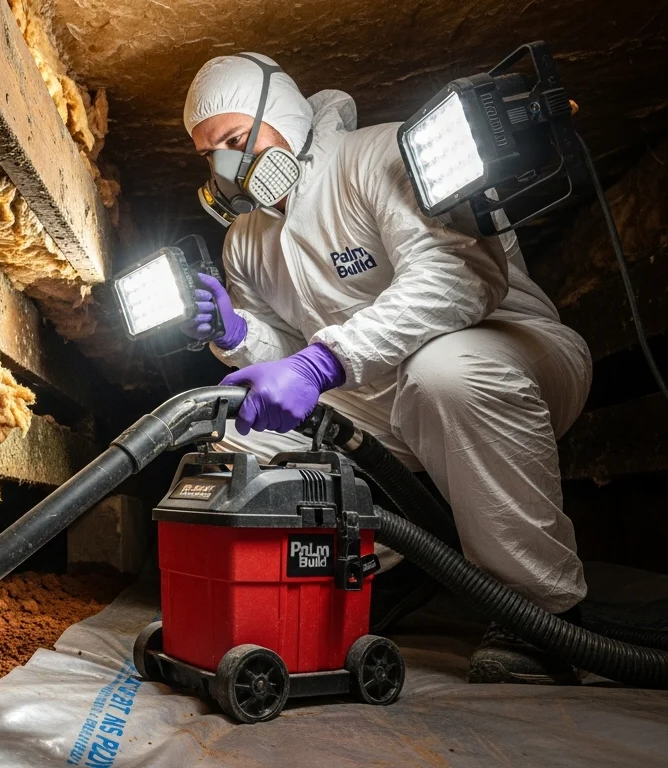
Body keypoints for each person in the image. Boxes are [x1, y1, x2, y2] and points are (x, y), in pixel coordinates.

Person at [180, 53, 593, 685]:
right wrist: (240, 338)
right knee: (244, 438)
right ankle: (340, 588)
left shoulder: (378, 157)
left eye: (237, 142)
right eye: (211, 155)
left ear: (284, 115)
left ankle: (539, 615)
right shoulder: (246, 240)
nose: (228, 169)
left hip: (508, 354)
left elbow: (459, 279)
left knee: (444, 372)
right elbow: (285, 367)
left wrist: (322, 363)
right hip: (374, 400)